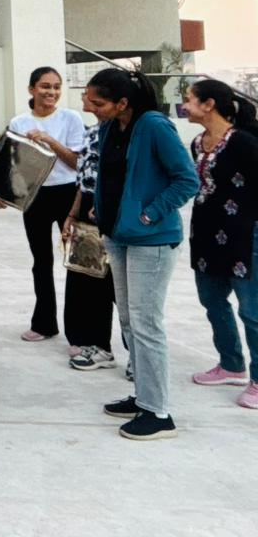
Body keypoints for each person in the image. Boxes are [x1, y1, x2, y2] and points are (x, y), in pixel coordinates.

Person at [87, 68, 198, 441]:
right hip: (119, 235)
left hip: (152, 239)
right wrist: (104, 208)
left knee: (146, 323)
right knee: (129, 320)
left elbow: (187, 180)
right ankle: (143, 397)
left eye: (97, 103)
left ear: (122, 103)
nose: (90, 108)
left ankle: (159, 413)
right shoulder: (111, 127)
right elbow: (112, 176)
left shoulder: (153, 126)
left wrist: (149, 213)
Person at [181, 79, 258, 409]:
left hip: (245, 235)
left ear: (209, 104)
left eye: (189, 99)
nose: (184, 106)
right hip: (206, 234)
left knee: (252, 310)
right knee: (212, 300)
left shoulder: (244, 142)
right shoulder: (197, 143)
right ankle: (231, 364)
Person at [0, 67, 87, 345]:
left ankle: (80, 332)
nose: (51, 92)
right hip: (35, 196)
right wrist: (3, 194)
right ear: (32, 89)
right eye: (45, 86)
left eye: (56, 87)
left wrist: (50, 141)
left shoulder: (71, 118)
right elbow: (15, 165)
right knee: (41, 261)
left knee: (78, 261)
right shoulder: (19, 122)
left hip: (68, 194)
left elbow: (77, 162)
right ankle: (44, 322)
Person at [62, 90, 120, 372]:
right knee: (90, 281)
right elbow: (82, 179)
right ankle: (98, 346)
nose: (88, 103)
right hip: (88, 210)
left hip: (116, 213)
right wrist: (72, 215)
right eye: (88, 98)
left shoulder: (128, 135)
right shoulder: (92, 132)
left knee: (119, 287)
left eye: (97, 100)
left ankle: (139, 357)